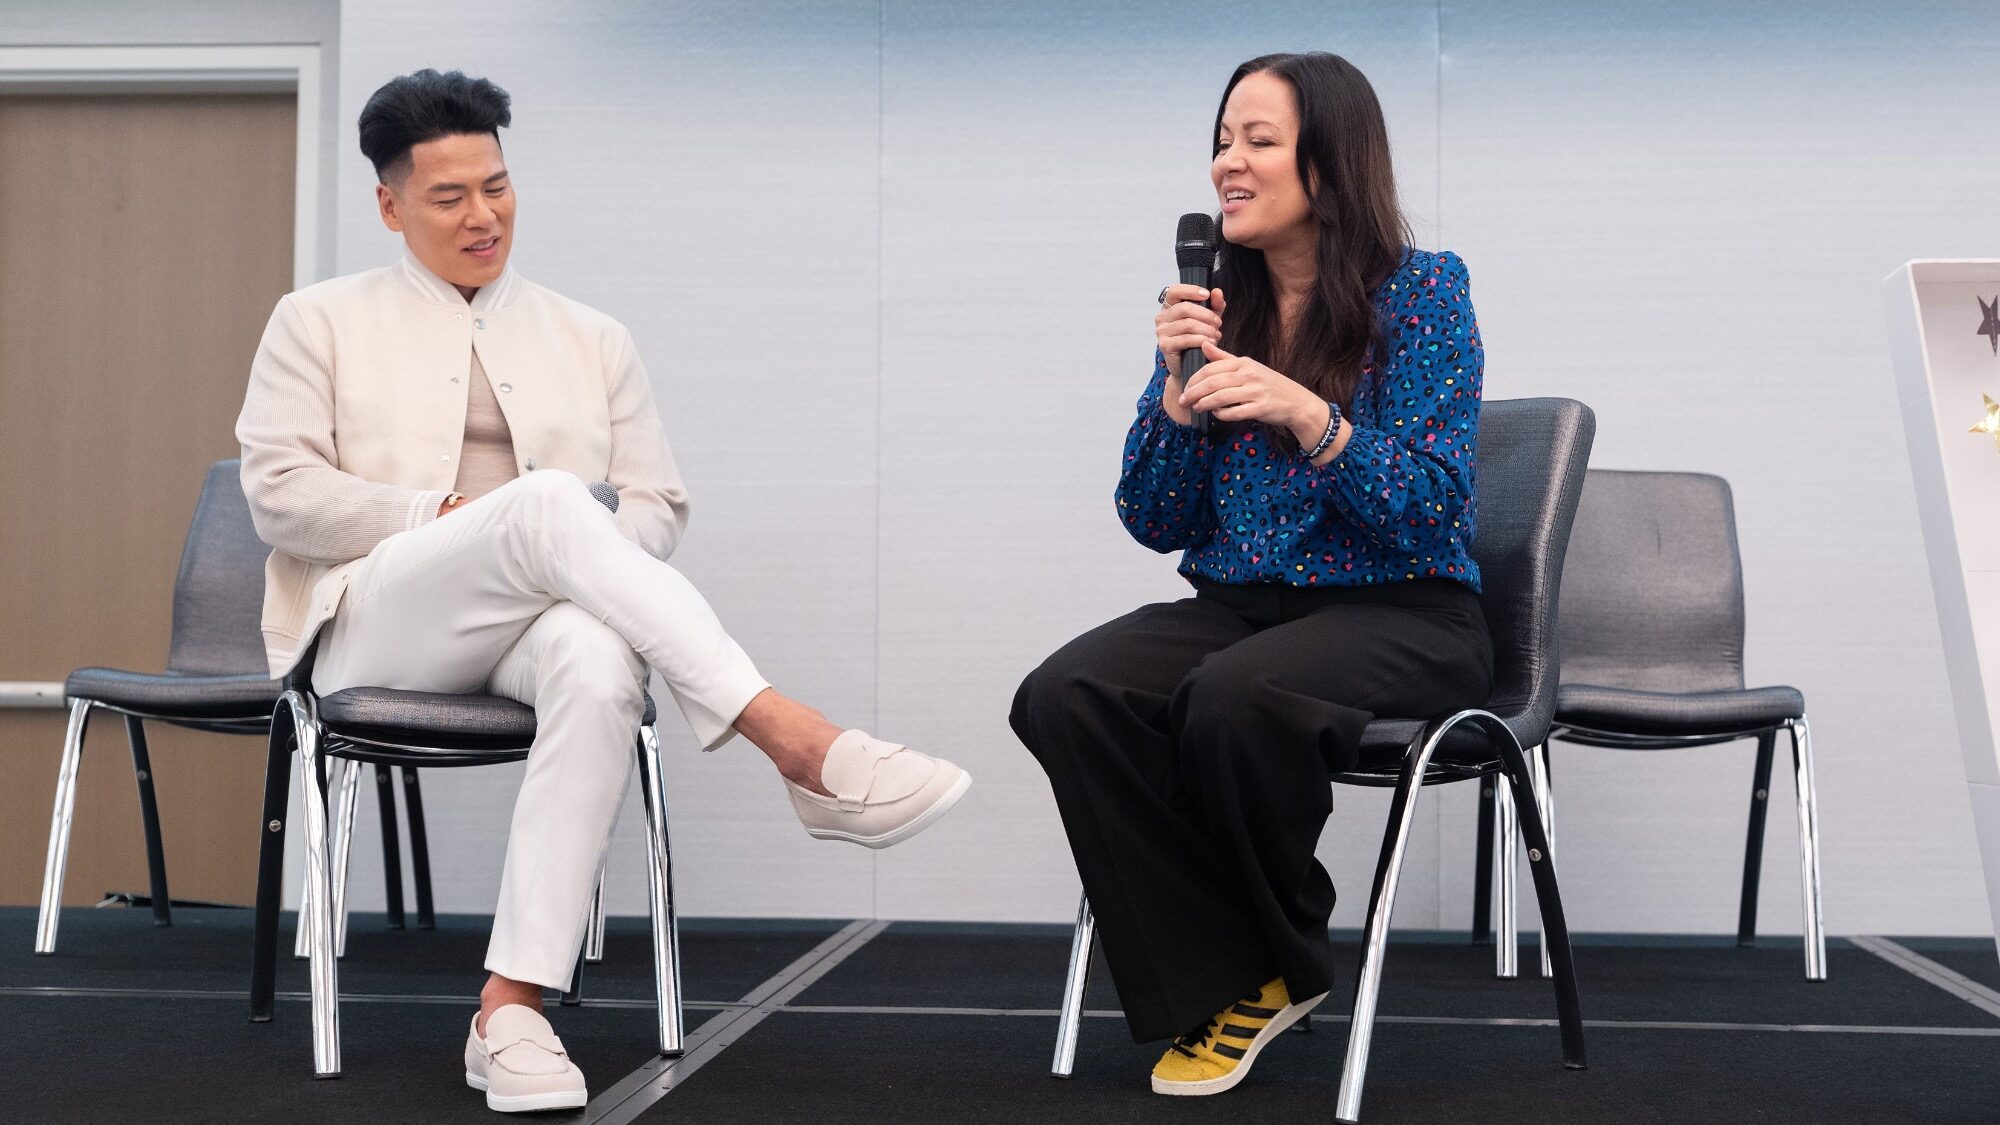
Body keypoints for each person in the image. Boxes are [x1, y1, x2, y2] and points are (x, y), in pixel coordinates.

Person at [235, 69, 970, 1114]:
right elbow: (283, 496)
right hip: (373, 622)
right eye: (449, 198)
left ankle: (512, 1010)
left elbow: (657, 505)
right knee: (541, 507)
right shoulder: (317, 321)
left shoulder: (591, 336)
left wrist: (571, 551)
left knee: (597, 652)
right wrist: (458, 520)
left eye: (497, 186)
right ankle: (797, 743)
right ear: (390, 205)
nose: (483, 215)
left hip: (531, 628)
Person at [1010, 51, 1491, 1097]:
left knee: (1233, 700)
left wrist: (1308, 417)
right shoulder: (1207, 307)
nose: (1227, 163)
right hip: (1241, 607)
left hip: (1404, 609)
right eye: (1221, 142)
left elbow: (1428, 507)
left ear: (1328, 163)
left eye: (1256, 141)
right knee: (1066, 693)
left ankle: (1278, 964)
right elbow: (1150, 518)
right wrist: (1177, 413)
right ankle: (1233, 971)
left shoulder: (1421, 295)